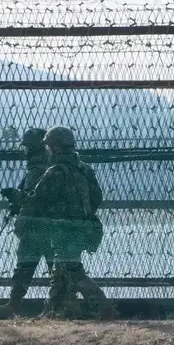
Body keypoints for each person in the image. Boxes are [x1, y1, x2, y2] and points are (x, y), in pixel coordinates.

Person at [9, 125, 114, 320]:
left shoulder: (55, 171)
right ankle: (52, 312)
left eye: (49, 146)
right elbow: (97, 197)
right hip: (85, 227)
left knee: (73, 271)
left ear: (55, 147)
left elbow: (37, 199)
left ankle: (103, 305)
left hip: (63, 229)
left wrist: (17, 196)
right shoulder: (85, 169)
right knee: (61, 271)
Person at [0, 128, 52, 319]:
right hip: (36, 225)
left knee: (48, 268)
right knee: (28, 267)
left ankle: (54, 307)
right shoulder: (39, 167)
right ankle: (14, 305)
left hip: (42, 226)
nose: (26, 150)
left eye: (30, 146)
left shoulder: (43, 169)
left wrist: (17, 196)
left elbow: (37, 198)